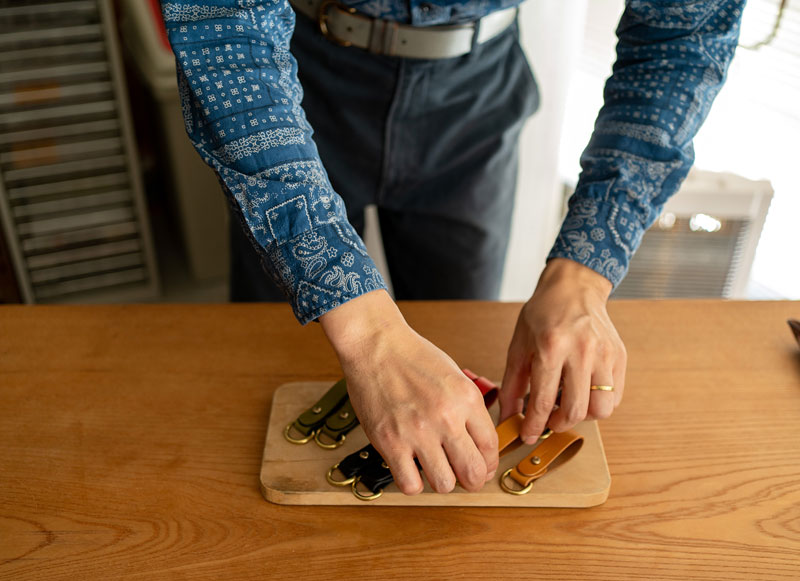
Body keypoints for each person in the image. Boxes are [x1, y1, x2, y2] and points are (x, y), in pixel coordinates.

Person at [160, 0, 745, 495]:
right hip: (288, 83)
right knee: (264, 365)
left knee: (455, 356)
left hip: (477, 93)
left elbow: (685, 35)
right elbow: (221, 19)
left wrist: (584, 274)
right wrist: (367, 334)